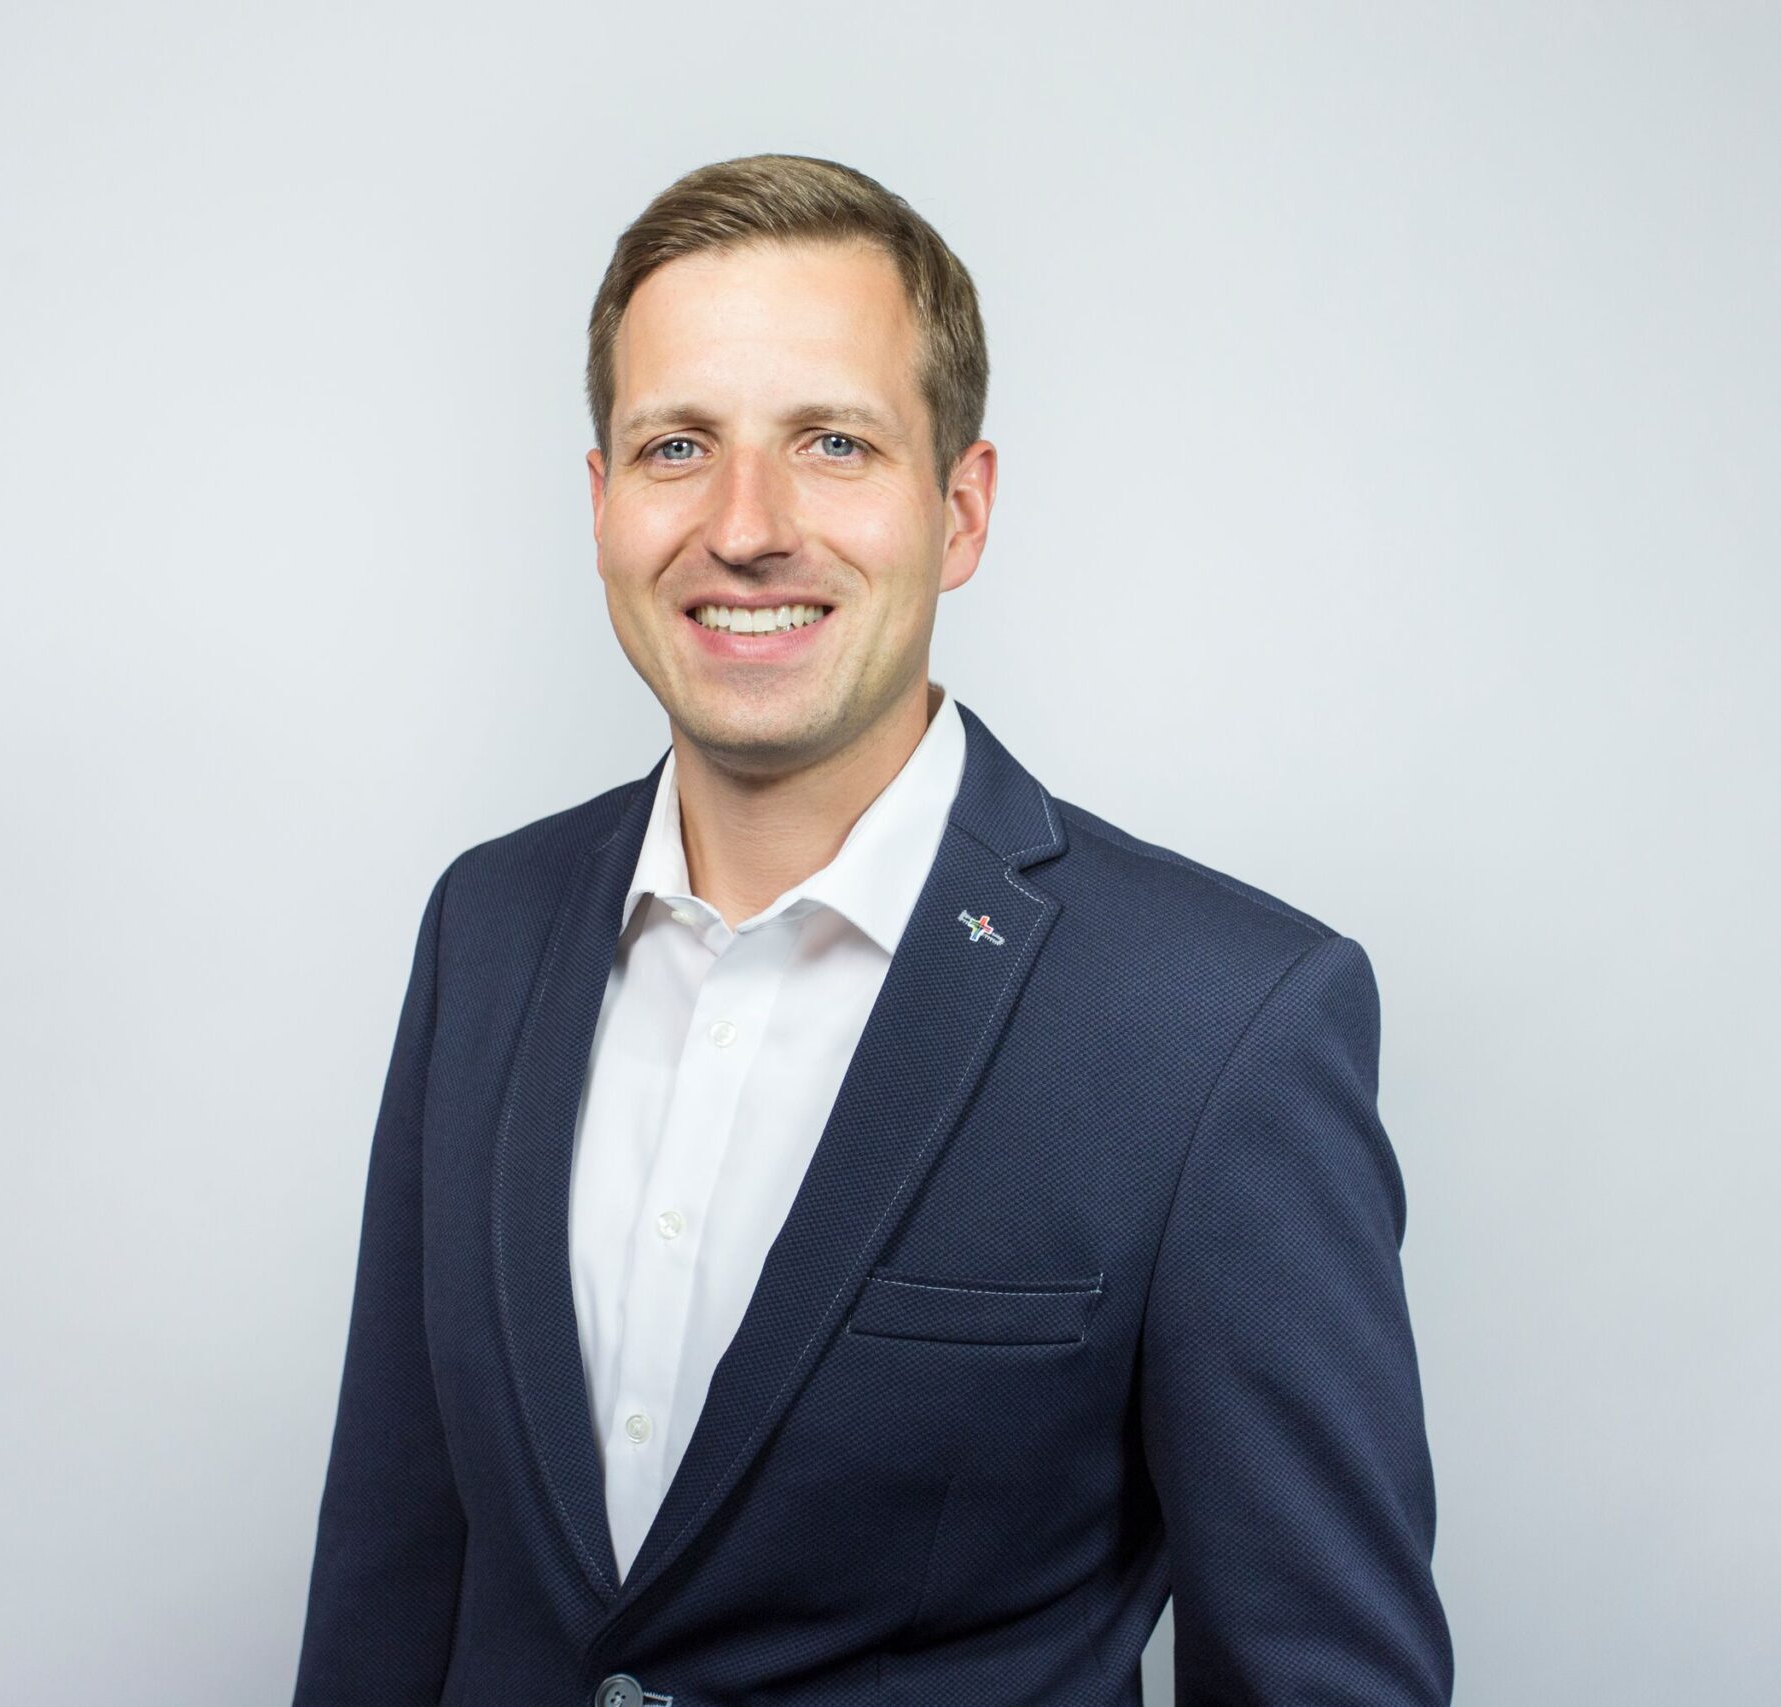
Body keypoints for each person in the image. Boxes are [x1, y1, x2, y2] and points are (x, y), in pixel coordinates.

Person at [291, 152, 1451, 1706]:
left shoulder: (1218, 1023)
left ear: (959, 510)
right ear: (603, 503)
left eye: (832, 443)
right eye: (678, 446)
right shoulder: (486, 927)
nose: (745, 527)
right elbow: (393, 1579)